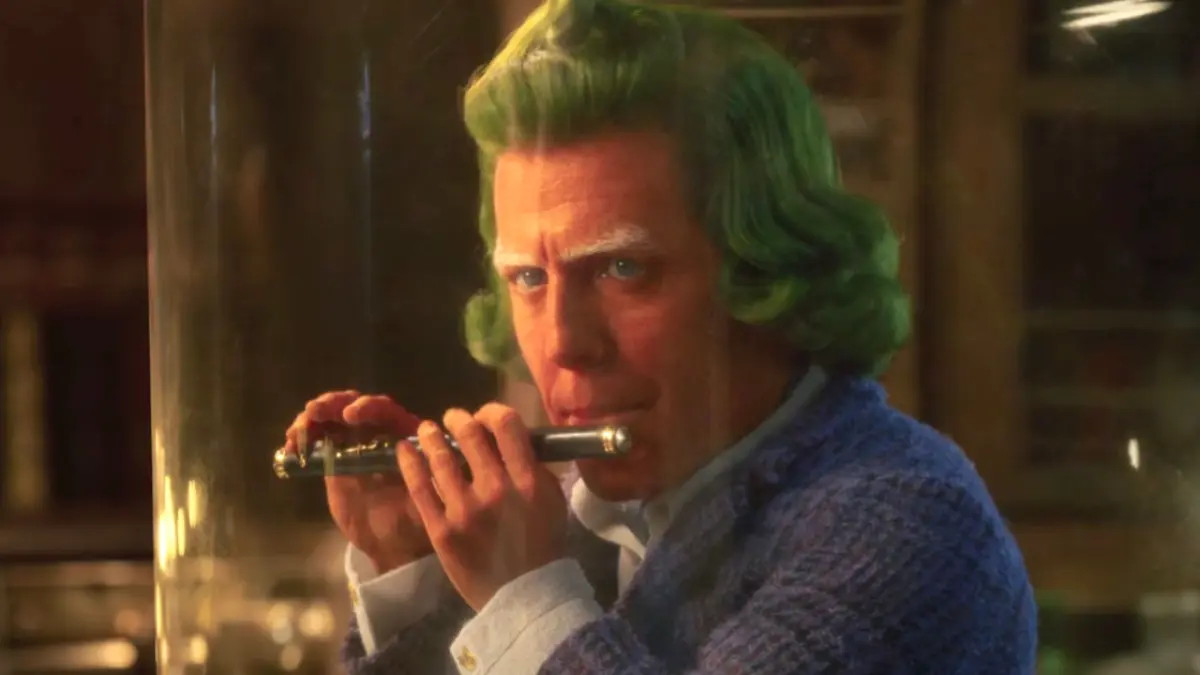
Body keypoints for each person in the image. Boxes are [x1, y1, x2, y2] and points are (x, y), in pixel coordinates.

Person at [280, 0, 1037, 672]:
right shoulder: (580, 517)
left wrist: (525, 596)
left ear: (768, 270)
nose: (564, 343)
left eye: (622, 267)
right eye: (530, 278)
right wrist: (416, 568)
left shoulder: (908, 527)